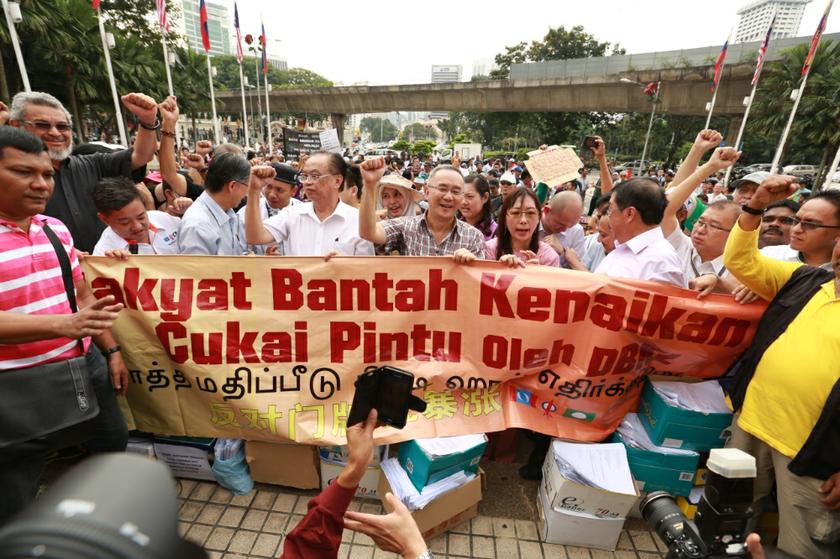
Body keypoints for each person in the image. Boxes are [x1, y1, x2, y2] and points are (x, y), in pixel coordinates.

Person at [0, 127, 127, 523]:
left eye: (48, 174)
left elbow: (82, 297)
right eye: (24, 172)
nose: (41, 185)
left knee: (111, 439)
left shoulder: (55, 230)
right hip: (14, 387)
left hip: (79, 366)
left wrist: (111, 350)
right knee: (16, 485)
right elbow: (73, 317)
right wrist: (65, 325)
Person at [722, 174, 840, 559]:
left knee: (801, 547)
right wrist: (754, 206)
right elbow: (740, 261)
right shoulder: (805, 279)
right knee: (729, 522)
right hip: (752, 423)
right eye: (797, 220)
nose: (797, 229)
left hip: (815, 456)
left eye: (810, 224)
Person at [6, 91, 159, 252]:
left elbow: (141, 155)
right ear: (16, 126)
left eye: (62, 126)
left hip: (106, 270)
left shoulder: (93, 163)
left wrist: (148, 120)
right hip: (47, 272)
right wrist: (66, 254)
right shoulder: (6, 181)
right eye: (42, 125)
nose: (55, 132)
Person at [244, 151, 373, 256]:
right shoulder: (292, 214)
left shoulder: (358, 221)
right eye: (305, 176)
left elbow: (367, 270)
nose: (307, 182)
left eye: (315, 176)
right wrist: (254, 190)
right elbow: (255, 236)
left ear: (337, 181)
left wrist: (345, 266)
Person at [359, 158, 484, 258]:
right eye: (442, 189)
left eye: (456, 191)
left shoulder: (473, 237)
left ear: (462, 197)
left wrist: (472, 263)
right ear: (427, 191)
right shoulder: (406, 227)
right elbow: (369, 232)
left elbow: (479, 282)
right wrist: (370, 185)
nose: (449, 197)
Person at [662, 144, 742, 292]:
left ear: (735, 235)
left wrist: (720, 284)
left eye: (714, 226)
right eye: (700, 222)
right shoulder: (680, 245)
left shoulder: (742, 268)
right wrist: (710, 166)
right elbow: (665, 208)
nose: (700, 230)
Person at [595, 178, 687, 287]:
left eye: (610, 209)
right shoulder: (621, 249)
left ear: (630, 214)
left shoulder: (662, 264)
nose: (608, 216)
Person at [178, 153, 273, 255]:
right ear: (232, 186)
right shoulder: (198, 225)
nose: (246, 193)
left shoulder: (227, 212)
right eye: (247, 186)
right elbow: (199, 270)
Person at [92, 177, 180, 255]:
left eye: (141, 217)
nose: (137, 227)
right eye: (125, 222)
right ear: (105, 219)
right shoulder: (104, 254)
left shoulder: (165, 220)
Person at [759, 191, 840, 270]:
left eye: (810, 224)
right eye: (795, 221)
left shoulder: (836, 273)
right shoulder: (770, 256)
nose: (796, 229)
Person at [486, 188, 560, 267]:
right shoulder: (488, 250)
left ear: (539, 217)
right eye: (515, 213)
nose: (523, 220)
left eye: (530, 213)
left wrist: (538, 274)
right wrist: (498, 267)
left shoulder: (550, 257)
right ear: (504, 217)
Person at [539, 191, 586, 267]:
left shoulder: (576, 230)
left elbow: (579, 269)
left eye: (570, 226)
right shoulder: (529, 221)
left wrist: (563, 253)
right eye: (560, 224)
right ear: (547, 211)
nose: (564, 230)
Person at [458, 173, 496, 240]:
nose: (463, 202)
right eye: (460, 196)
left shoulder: (496, 232)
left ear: (485, 197)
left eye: (469, 196)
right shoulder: (452, 227)